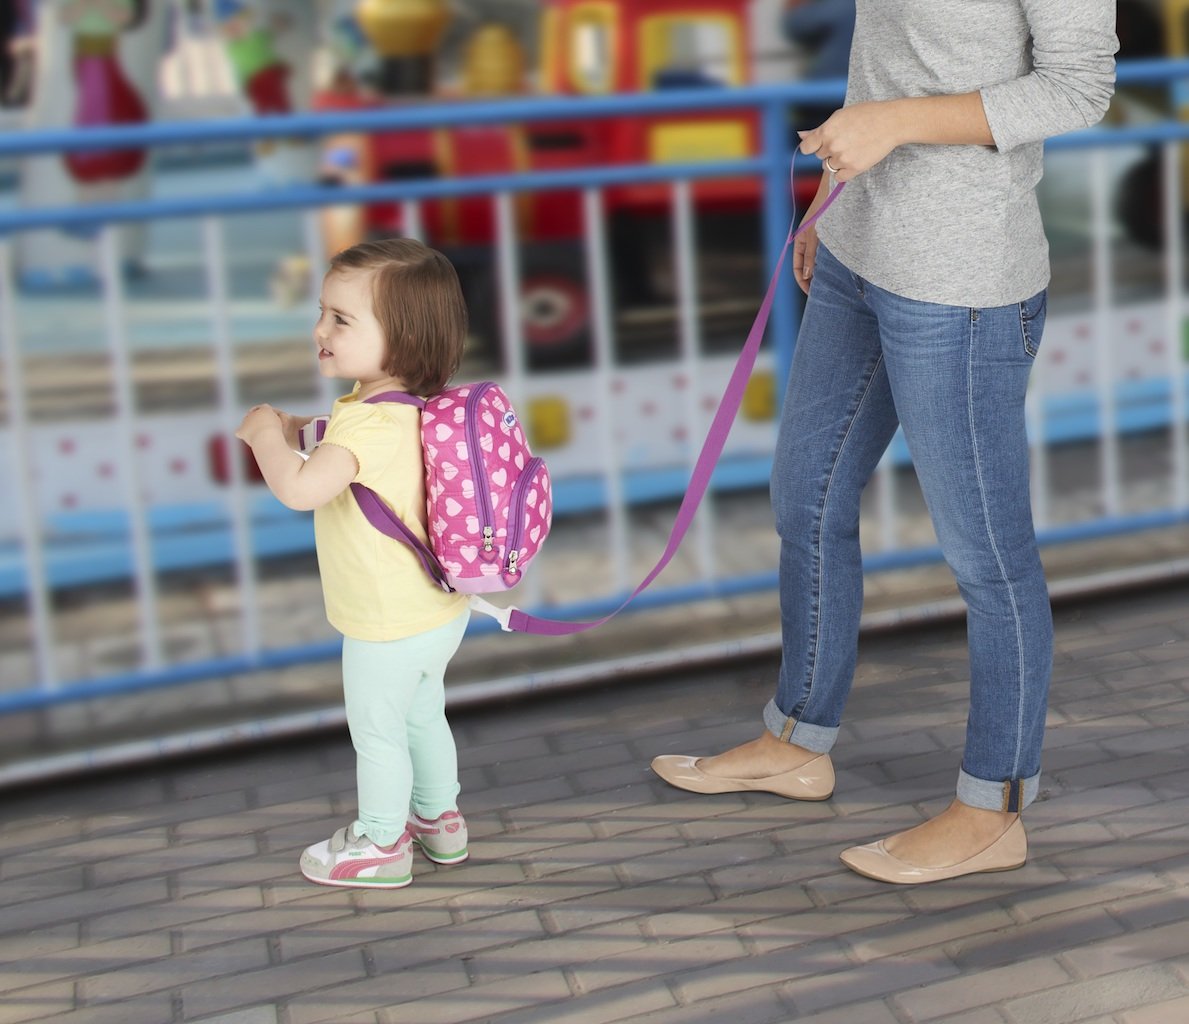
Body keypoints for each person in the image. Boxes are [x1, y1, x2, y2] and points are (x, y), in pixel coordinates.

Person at [652, 0, 1118, 884]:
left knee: (988, 562)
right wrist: (835, 202)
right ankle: (796, 742)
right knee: (806, 500)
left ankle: (994, 810)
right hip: (857, 253)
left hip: (960, 287)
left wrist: (894, 125)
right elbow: (887, 64)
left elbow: (1078, 87)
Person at [236, 238, 472, 889]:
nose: (320, 330)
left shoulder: (366, 427)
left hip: (383, 622)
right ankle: (440, 821)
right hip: (436, 610)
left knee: (376, 733)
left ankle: (379, 844)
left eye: (341, 319)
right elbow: (341, 441)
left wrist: (262, 436)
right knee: (422, 715)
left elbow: (300, 489)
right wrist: (296, 428)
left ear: (401, 339)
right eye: (322, 312)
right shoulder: (404, 407)